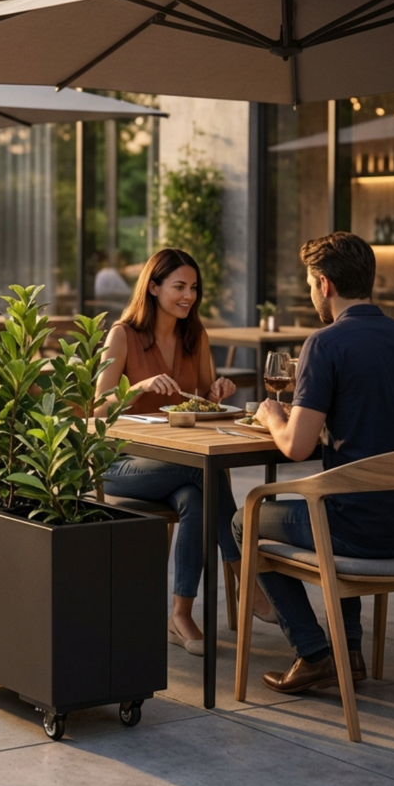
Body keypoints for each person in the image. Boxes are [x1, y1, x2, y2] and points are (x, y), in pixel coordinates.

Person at [232, 232, 394, 694]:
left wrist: (271, 413)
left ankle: (314, 653)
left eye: (310, 283)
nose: (311, 293)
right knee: (334, 499)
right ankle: (349, 652)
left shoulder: (326, 344)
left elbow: (296, 447)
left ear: (324, 284)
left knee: (245, 519)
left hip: (355, 532)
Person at [95, 247, 274, 655]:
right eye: (179, 286)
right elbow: (96, 408)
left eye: (193, 288)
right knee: (203, 474)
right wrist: (136, 388)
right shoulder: (123, 335)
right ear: (153, 287)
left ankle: (180, 615)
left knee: (197, 494)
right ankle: (244, 574)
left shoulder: (196, 336)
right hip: (120, 462)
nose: (188, 296)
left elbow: (206, 400)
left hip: (177, 462)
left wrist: (218, 391)